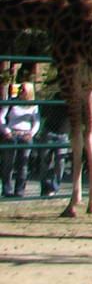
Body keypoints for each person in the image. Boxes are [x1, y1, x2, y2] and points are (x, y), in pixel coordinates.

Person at [2, 68, 42, 198]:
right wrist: (6, 131)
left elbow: (36, 121)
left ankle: (19, 190)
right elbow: (1, 117)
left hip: (25, 135)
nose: (20, 91)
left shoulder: (33, 105)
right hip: (11, 134)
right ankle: (7, 189)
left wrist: (31, 133)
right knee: (8, 163)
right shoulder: (11, 102)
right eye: (20, 89)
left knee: (23, 164)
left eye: (23, 89)